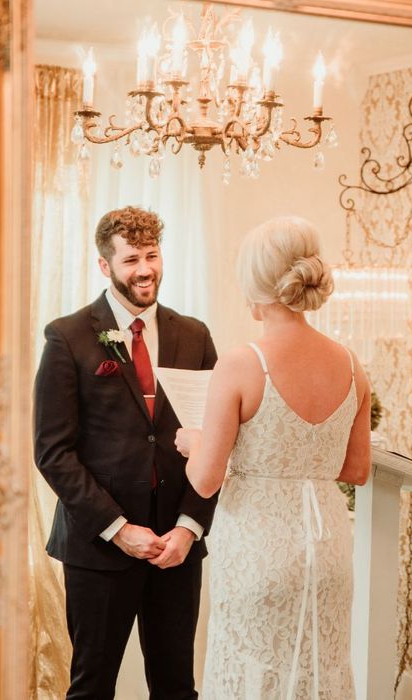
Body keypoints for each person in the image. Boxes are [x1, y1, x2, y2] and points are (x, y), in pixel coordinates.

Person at [175, 216, 371, 699]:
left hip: (258, 549)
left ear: (256, 283)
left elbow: (204, 479)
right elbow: (356, 469)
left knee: (252, 672)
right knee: (319, 670)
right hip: (328, 551)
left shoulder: (243, 362)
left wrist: (191, 441)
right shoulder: (350, 363)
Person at [33, 206, 218, 700]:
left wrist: (189, 527)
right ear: (104, 265)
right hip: (98, 548)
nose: (144, 269)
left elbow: (220, 441)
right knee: (92, 688)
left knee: (177, 687)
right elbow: (53, 452)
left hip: (177, 549)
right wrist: (119, 529)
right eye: (131, 258)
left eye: (152, 255)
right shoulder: (67, 337)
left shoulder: (194, 335)